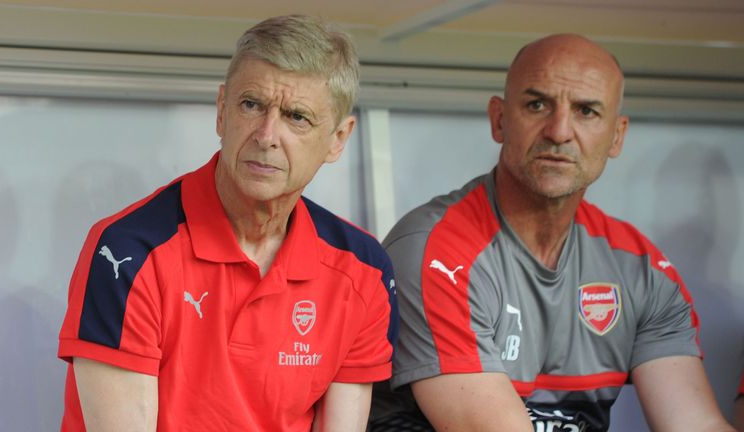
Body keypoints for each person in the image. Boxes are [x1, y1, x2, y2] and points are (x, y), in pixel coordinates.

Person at [369, 34, 733, 431]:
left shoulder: (642, 271)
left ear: (617, 136)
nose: (559, 132)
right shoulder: (436, 251)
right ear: (499, 119)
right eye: (537, 104)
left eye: (587, 111)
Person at [58, 14, 398, 431]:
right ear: (222, 111)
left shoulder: (364, 269)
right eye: (251, 105)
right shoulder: (128, 251)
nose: (267, 134)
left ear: (338, 139)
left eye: (297, 117)